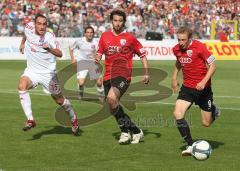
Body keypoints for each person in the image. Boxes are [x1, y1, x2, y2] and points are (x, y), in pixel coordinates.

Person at [18, 14, 79, 135]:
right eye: (39, 24)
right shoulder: (29, 27)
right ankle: (30, 120)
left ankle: (73, 118)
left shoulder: (50, 37)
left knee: (59, 100)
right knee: (21, 86)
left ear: (47, 25)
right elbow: (25, 34)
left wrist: (49, 49)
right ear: (34, 24)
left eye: (44, 24)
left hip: (48, 75)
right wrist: (22, 43)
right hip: (32, 71)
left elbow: (60, 54)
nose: (41, 27)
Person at [95, 10, 150, 144]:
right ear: (111, 21)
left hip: (123, 75)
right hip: (107, 76)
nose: (118, 23)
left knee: (111, 98)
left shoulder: (130, 38)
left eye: (120, 21)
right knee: (113, 106)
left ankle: (125, 132)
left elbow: (142, 55)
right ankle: (135, 131)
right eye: (115, 20)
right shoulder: (105, 36)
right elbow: (98, 56)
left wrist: (146, 72)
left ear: (124, 22)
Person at [171, 26, 220, 156]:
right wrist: (174, 77)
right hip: (187, 88)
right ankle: (190, 145)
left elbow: (213, 66)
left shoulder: (199, 47)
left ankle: (214, 110)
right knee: (177, 114)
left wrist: (203, 82)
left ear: (190, 38)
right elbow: (179, 62)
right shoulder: (176, 49)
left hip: (204, 90)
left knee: (206, 123)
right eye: (179, 39)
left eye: (183, 40)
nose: (180, 43)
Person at [69, 26, 104, 99]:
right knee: (81, 83)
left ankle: (101, 96)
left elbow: (99, 52)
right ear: (85, 34)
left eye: (91, 32)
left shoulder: (96, 42)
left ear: (93, 34)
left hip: (92, 64)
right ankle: (80, 93)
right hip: (82, 63)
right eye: (88, 32)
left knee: (99, 83)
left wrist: (97, 59)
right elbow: (71, 48)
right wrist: (72, 59)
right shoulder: (80, 41)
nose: (89, 34)